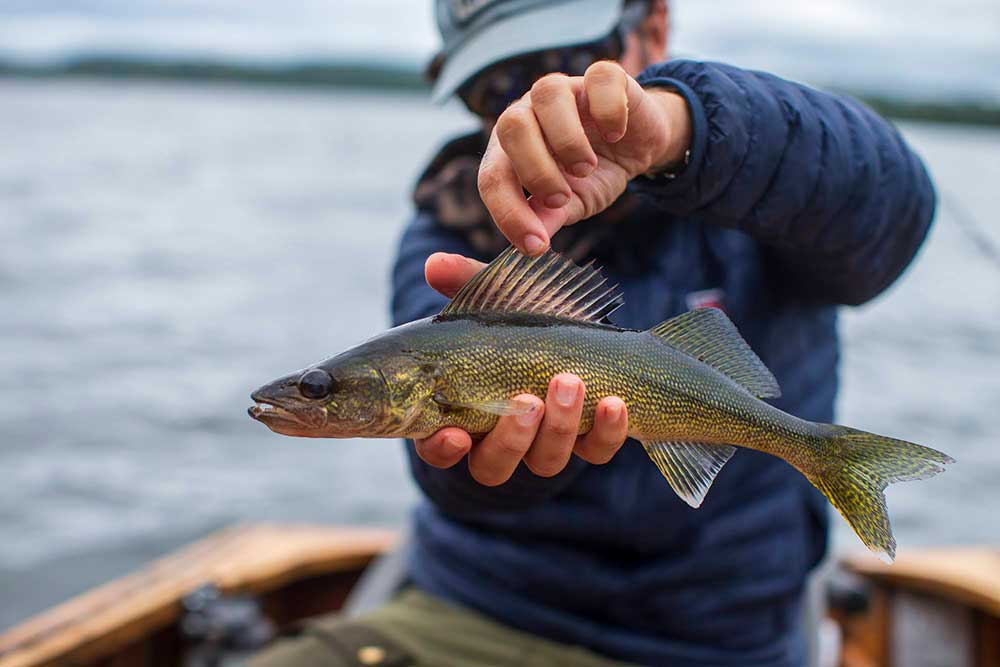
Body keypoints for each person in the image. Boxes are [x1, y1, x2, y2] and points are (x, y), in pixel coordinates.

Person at [251, 1, 935, 665]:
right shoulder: (444, 227)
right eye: (493, 85)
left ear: (654, 27)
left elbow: (894, 208)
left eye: (565, 61)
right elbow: (447, 471)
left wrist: (679, 130)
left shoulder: (764, 191)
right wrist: (493, 475)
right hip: (475, 603)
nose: (530, 102)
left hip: (716, 639)